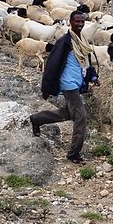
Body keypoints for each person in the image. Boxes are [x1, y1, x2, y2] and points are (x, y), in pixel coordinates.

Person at [29, 10, 97, 163]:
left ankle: (37, 119)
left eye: (82, 21)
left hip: (77, 81)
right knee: (81, 116)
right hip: (68, 83)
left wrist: (93, 76)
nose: (80, 24)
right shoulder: (65, 42)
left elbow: (86, 63)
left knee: (69, 113)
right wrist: (46, 87)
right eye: (77, 21)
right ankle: (74, 153)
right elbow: (53, 64)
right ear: (70, 22)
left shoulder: (83, 40)